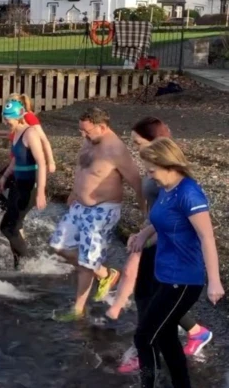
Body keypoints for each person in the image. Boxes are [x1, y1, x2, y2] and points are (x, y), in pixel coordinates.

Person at [91, 117, 214, 373]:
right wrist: (142, 231)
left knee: (151, 296)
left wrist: (147, 238)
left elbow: (179, 219)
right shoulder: (155, 168)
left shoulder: (169, 173)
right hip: (152, 235)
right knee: (151, 296)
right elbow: (156, 209)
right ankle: (189, 333)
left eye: (138, 142)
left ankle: (147, 350)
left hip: (165, 244)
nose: (134, 147)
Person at [134, 137, 224, 388]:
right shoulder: (167, 189)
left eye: (152, 170)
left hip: (184, 280)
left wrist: (214, 281)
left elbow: (207, 237)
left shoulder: (189, 193)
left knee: (144, 337)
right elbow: (162, 218)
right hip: (166, 274)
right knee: (165, 336)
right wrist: (144, 234)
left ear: (168, 165)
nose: (149, 176)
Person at [49, 107, 143, 321]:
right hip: (79, 207)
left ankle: (77, 310)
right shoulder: (91, 140)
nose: (83, 135)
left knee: (86, 261)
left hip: (102, 210)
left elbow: (137, 183)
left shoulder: (116, 149)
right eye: (81, 130)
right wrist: (74, 191)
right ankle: (106, 274)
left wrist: (147, 217)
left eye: (87, 131)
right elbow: (83, 169)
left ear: (102, 127)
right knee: (58, 246)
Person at [0, 99, 51, 268]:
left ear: (18, 117)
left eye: (8, 118)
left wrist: (41, 191)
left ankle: (28, 265)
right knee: (10, 226)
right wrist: (4, 177)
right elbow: (16, 160)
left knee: (9, 228)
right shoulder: (16, 133)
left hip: (30, 187)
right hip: (17, 184)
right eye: (4, 118)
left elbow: (41, 163)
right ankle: (19, 264)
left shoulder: (30, 133)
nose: (6, 122)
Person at [0, 93, 56, 212]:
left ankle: (14, 216)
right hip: (15, 162)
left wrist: (51, 161)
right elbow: (18, 136)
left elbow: (43, 139)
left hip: (24, 164)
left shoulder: (28, 117)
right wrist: (4, 134)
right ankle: (12, 214)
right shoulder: (14, 121)